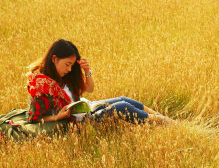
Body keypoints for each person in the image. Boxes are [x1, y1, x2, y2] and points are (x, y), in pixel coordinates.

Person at [26, 39, 172, 125]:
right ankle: (169, 124)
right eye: (67, 64)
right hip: (78, 121)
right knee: (121, 107)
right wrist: (57, 117)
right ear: (54, 59)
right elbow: (32, 118)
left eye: (71, 65)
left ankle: (165, 120)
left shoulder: (64, 76)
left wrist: (87, 72)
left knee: (124, 100)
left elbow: (89, 90)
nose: (70, 69)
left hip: (86, 108)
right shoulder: (41, 85)